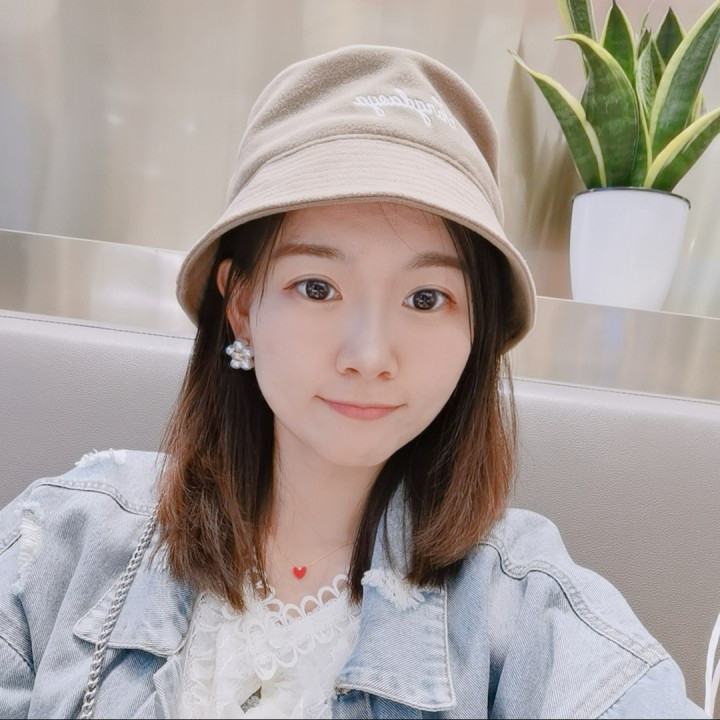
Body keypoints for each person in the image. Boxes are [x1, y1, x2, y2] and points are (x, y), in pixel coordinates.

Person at [0, 45, 709, 720]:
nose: (369, 356)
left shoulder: (522, 605)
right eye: (317, 287)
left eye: (426, 298)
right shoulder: (61, 542)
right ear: (242, 304)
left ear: (476, 331)